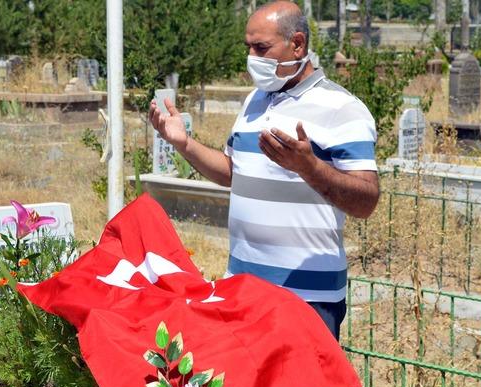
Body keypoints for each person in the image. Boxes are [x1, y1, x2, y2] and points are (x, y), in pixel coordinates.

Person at [148, 0, 379, 340]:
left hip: (306, 298)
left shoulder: (342, 108)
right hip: (242, 286)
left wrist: (309, 167)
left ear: (297, 44)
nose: (252, 58)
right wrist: (184, 143)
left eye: (262, 48)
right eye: (249, 48)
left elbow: (366, 201)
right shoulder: (255, 101)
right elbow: (232, 172)